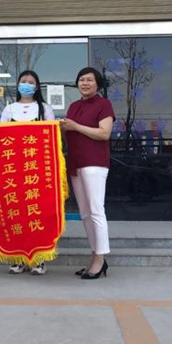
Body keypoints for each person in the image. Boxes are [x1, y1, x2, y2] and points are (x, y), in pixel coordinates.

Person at [61, 67, 115, 280]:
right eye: (81, 79)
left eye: (89, 80)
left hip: (94, 163)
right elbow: (68, 132)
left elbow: (104, 133)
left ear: (97, 84)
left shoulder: (104, 104)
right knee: (85, 213)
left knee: (96, 210)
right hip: (75, 163)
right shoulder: (74, 106)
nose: (85, 83)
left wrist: (75, 126)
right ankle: (95, 256)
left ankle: (100, 258)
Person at [0, 70, 55, 276]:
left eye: (31, 82)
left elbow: (52, 137)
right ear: (17, 85)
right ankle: (18, 258)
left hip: (36, 169)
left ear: (37, 86)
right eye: (23, 81)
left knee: (37, 213)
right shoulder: (9, 109)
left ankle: (38, 259)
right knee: (17, 213)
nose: (27, 85)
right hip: (14, 170)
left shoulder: (45, 109)